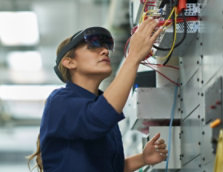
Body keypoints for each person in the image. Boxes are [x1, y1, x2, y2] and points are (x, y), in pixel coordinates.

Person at [28, 18, 168, 172]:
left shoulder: (101, 108)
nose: (105, 51)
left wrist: (142, 159)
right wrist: (133, 56)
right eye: (92, 47)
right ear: (69, 62)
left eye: (105, 47)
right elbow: (100, 116)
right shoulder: (60, 100)